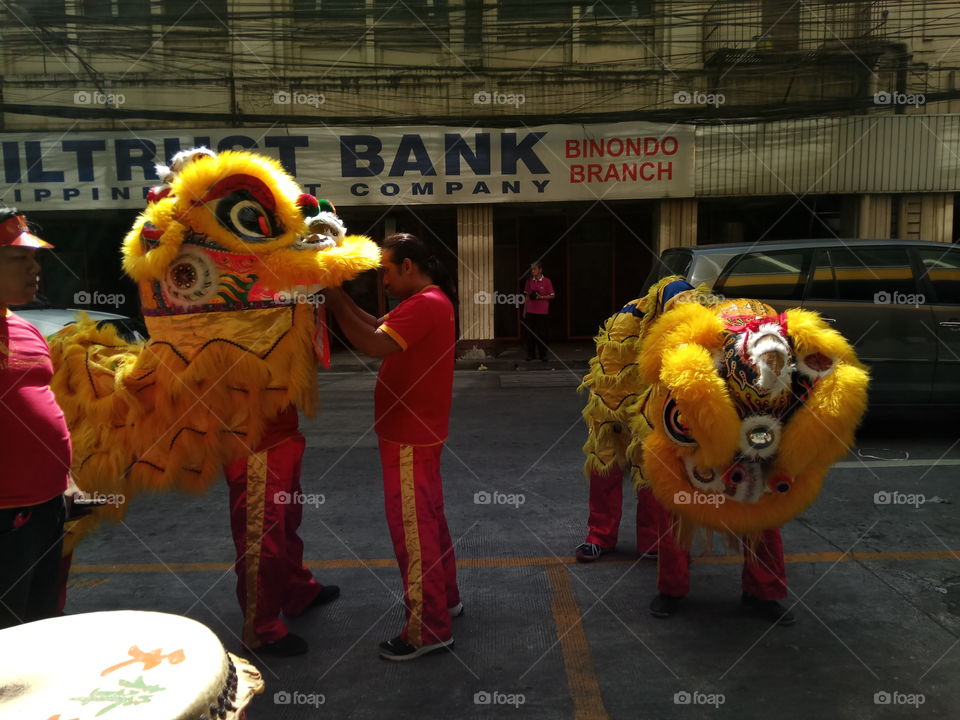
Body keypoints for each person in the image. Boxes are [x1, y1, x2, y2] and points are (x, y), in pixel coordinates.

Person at [324, 232, 461, 662]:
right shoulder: (424, 301)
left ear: (407, 266)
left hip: (409, 438)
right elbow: (374, 326)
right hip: (416, 435)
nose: (382, 278)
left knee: (413, 532)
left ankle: (429, 628)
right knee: (429, 522)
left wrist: (329, 292)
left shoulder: (425, 304)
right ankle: (446, 601)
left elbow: (370, 344)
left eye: (385, 270)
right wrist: (335, 295)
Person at [0, 208, 74, 629]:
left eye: (34, 259)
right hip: (5, 518)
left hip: (49, 509)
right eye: (18, 260)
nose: (34, 269)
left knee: (41, 626)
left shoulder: (27, 328)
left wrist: (68, 482)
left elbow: (47, 405)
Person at [522, 262, 554, 362]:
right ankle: (531, 355)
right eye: (531, 269)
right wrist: (524, 310)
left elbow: (552, 295)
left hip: (542, 312)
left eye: (534, 269)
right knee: (529, 334)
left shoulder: (547, 281)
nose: (532, 271)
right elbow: (527, 296)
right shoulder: (529, 281)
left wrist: (541, 297)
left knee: (542, 334)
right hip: (530, 311)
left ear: (540, 270)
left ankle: (543, 355)